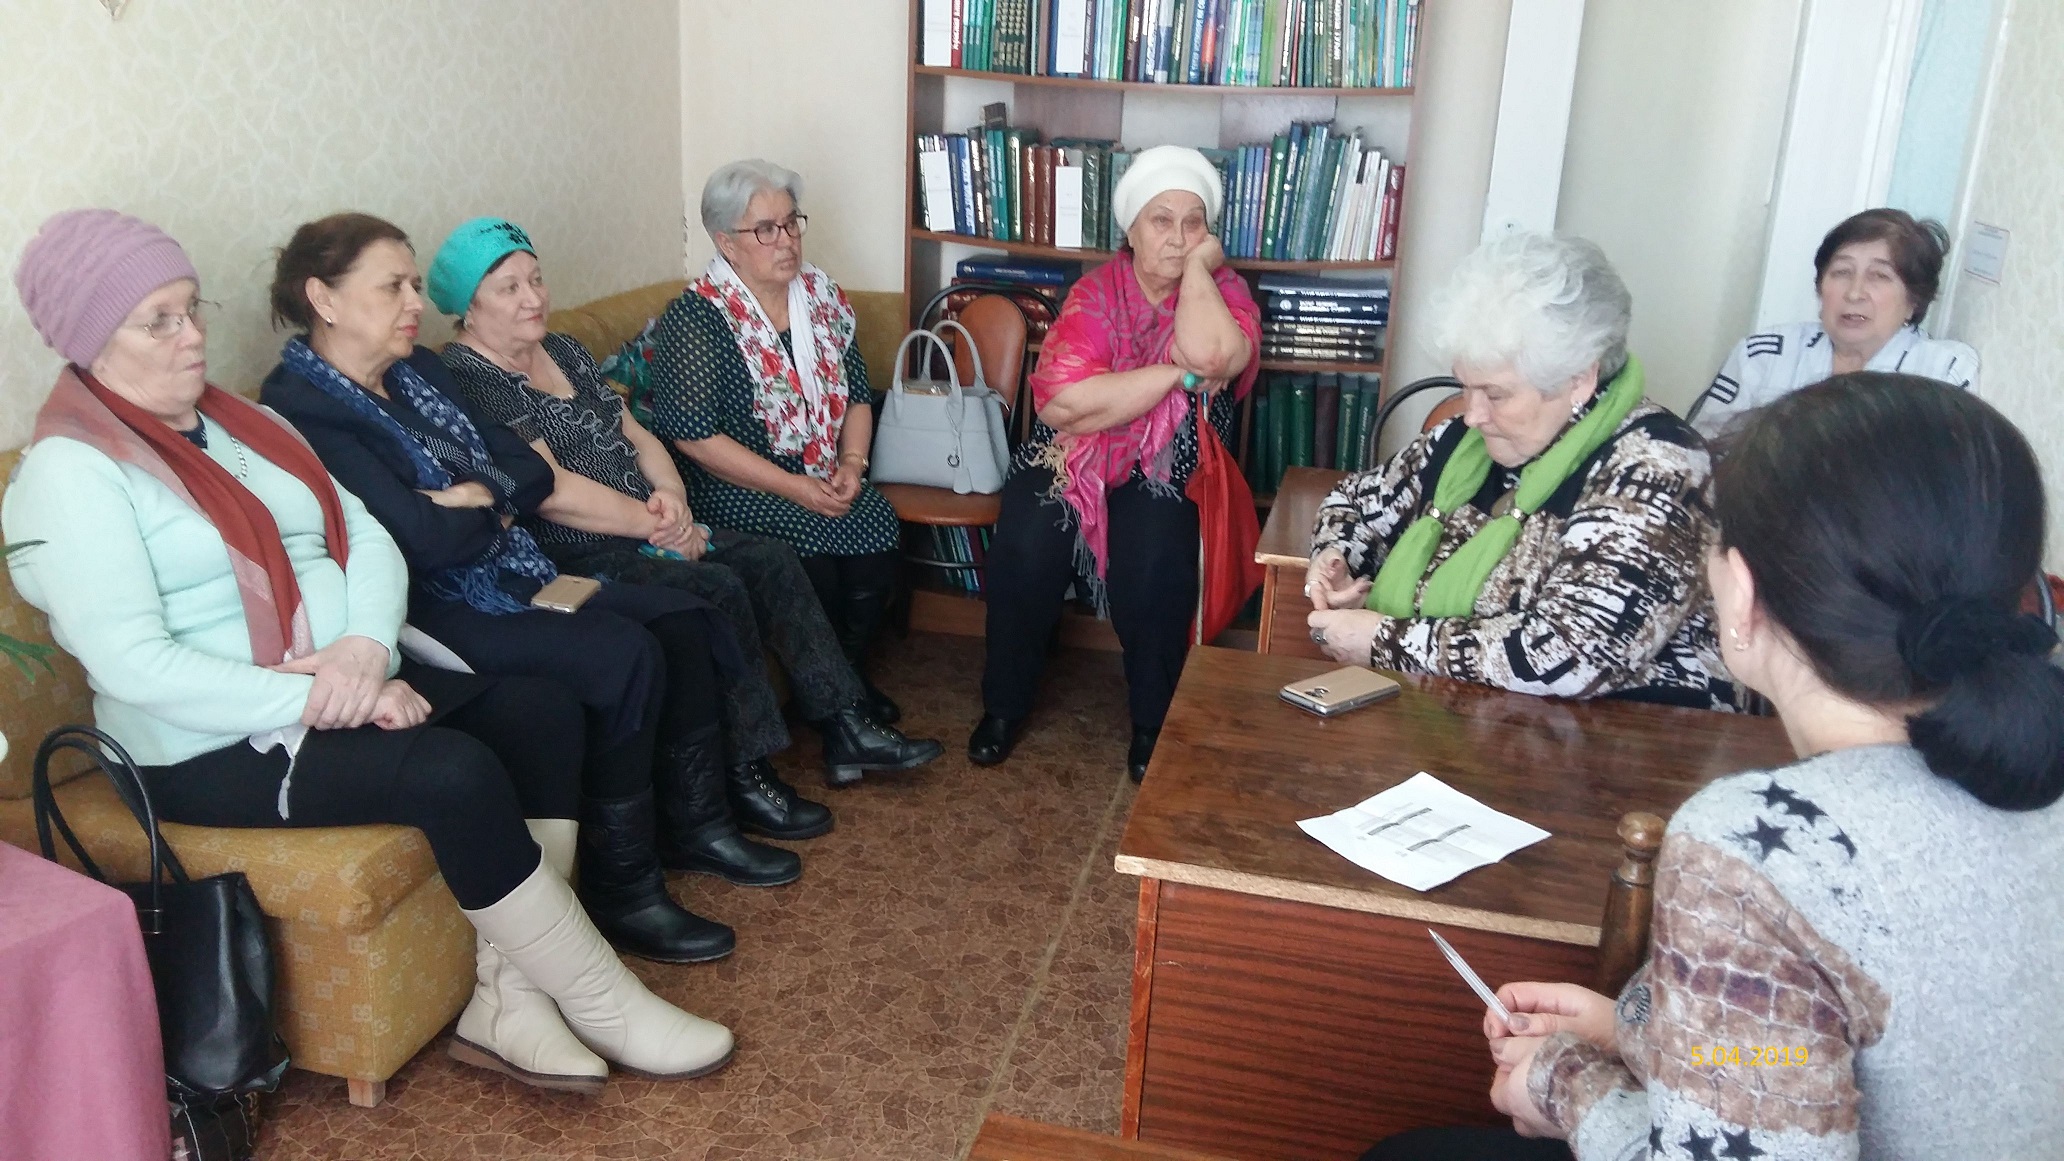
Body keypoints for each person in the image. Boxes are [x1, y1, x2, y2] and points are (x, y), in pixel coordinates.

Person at [3, 209, 732, 1097]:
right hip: (203, 742)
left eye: (191, 308)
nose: (193, 335)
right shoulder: (71, 475)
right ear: (90, 341)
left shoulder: (241, 424)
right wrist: (326, 695)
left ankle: (510, 1001)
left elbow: (366, 537)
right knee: (453, 772)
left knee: (540, 710)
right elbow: (134, 666)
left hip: (339, 678)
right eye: (159, 321)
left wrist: (360, 649)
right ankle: (605, 1001)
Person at [1366, 375, 2064, 1160]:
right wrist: (1631, 1027)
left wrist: (1564, 1080)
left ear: (1741, 591)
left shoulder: (1750, 847)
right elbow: (1828, 1041)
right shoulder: (2033, 769)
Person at [258, 213, 794, 971]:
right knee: (622, 654)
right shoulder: (302, 408)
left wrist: (475, 498)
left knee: (682, 616)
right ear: (324, 298)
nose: (415, 302)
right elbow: (420, 540)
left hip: (515, 572)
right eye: (393, 286)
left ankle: (698, 829)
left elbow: (527, 474)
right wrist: (486, 501)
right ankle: (624, 889)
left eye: (416, 283)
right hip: (433, 608)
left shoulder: (420, 371)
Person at [428, 217, 942, 793]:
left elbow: (638, 435)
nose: (534, 298)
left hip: (652, 521)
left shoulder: (564, 350)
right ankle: (746, 775)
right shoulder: (469, 379)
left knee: (770, 559)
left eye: (536, 280)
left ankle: (845, 724)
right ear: (467, 309)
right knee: (717, 586)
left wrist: (673, 498)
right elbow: (550, 492)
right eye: (510, 288)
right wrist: (660, 526)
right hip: (577, 547)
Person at [1304, 232, 1735, 711]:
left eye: (1496, 394)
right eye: (1465, 387)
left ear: (1579, 379)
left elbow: (1573, 652)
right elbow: (1353, 503)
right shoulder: (1463, 443)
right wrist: (1337, 559)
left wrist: (1384, 640)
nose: (1472, 414)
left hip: (1628, 737)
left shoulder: (1657, 468)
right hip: (1453, 720)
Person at [969, 145, 1261, 782]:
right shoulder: (1096, 294)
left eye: (1193, 223)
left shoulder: (1226, 294)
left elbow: (1212, 356)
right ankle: (1004, 704)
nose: (1178, 237)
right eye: (1161, 220)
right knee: (1026, 538)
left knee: (1156, 556)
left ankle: (1154, 720)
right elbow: (1063, 405)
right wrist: (1170, 376)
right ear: (1131, 231)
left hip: (1171, 459)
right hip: (1071, 454)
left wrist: (1201, 270)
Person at [642, 160, 905, 726]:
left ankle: (847, 677)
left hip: (818, 469)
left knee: (876, 520)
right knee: (812, 537)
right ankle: (836, 702)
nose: (786, 240)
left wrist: (852, 464)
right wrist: (794, 488)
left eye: (791, 223)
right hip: (728, 484)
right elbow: (694, 438)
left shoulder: (822, 297)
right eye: (765, 229)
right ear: (726, 243)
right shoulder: (696, 317)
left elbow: (859, 392)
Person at [1687, 208, 1978, 439]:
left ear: (1914, 300)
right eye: (1841, 272)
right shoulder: (1763, 354)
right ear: (1820, 287)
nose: (1854, 293)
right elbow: (1698, 454)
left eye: (1879, 276)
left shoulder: (1942, 371)